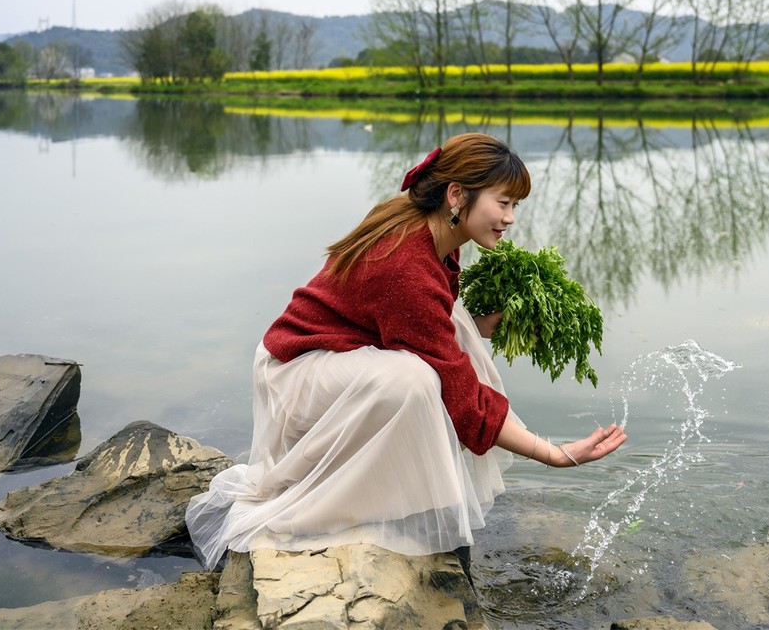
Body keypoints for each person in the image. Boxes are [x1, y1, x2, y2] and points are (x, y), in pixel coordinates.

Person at [186, 132, 627, 572]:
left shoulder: (430, 231)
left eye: (516, 206)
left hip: (334, 355)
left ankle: (389, 494)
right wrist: (554, 453)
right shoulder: (406, 264)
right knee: (414, 380)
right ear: (457, 194)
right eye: (504, 203)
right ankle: (336, 507)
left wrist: (474, 327)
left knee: (455, 327)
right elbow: (461, 397)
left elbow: (426, 327)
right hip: (296, 370)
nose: (511, 218)